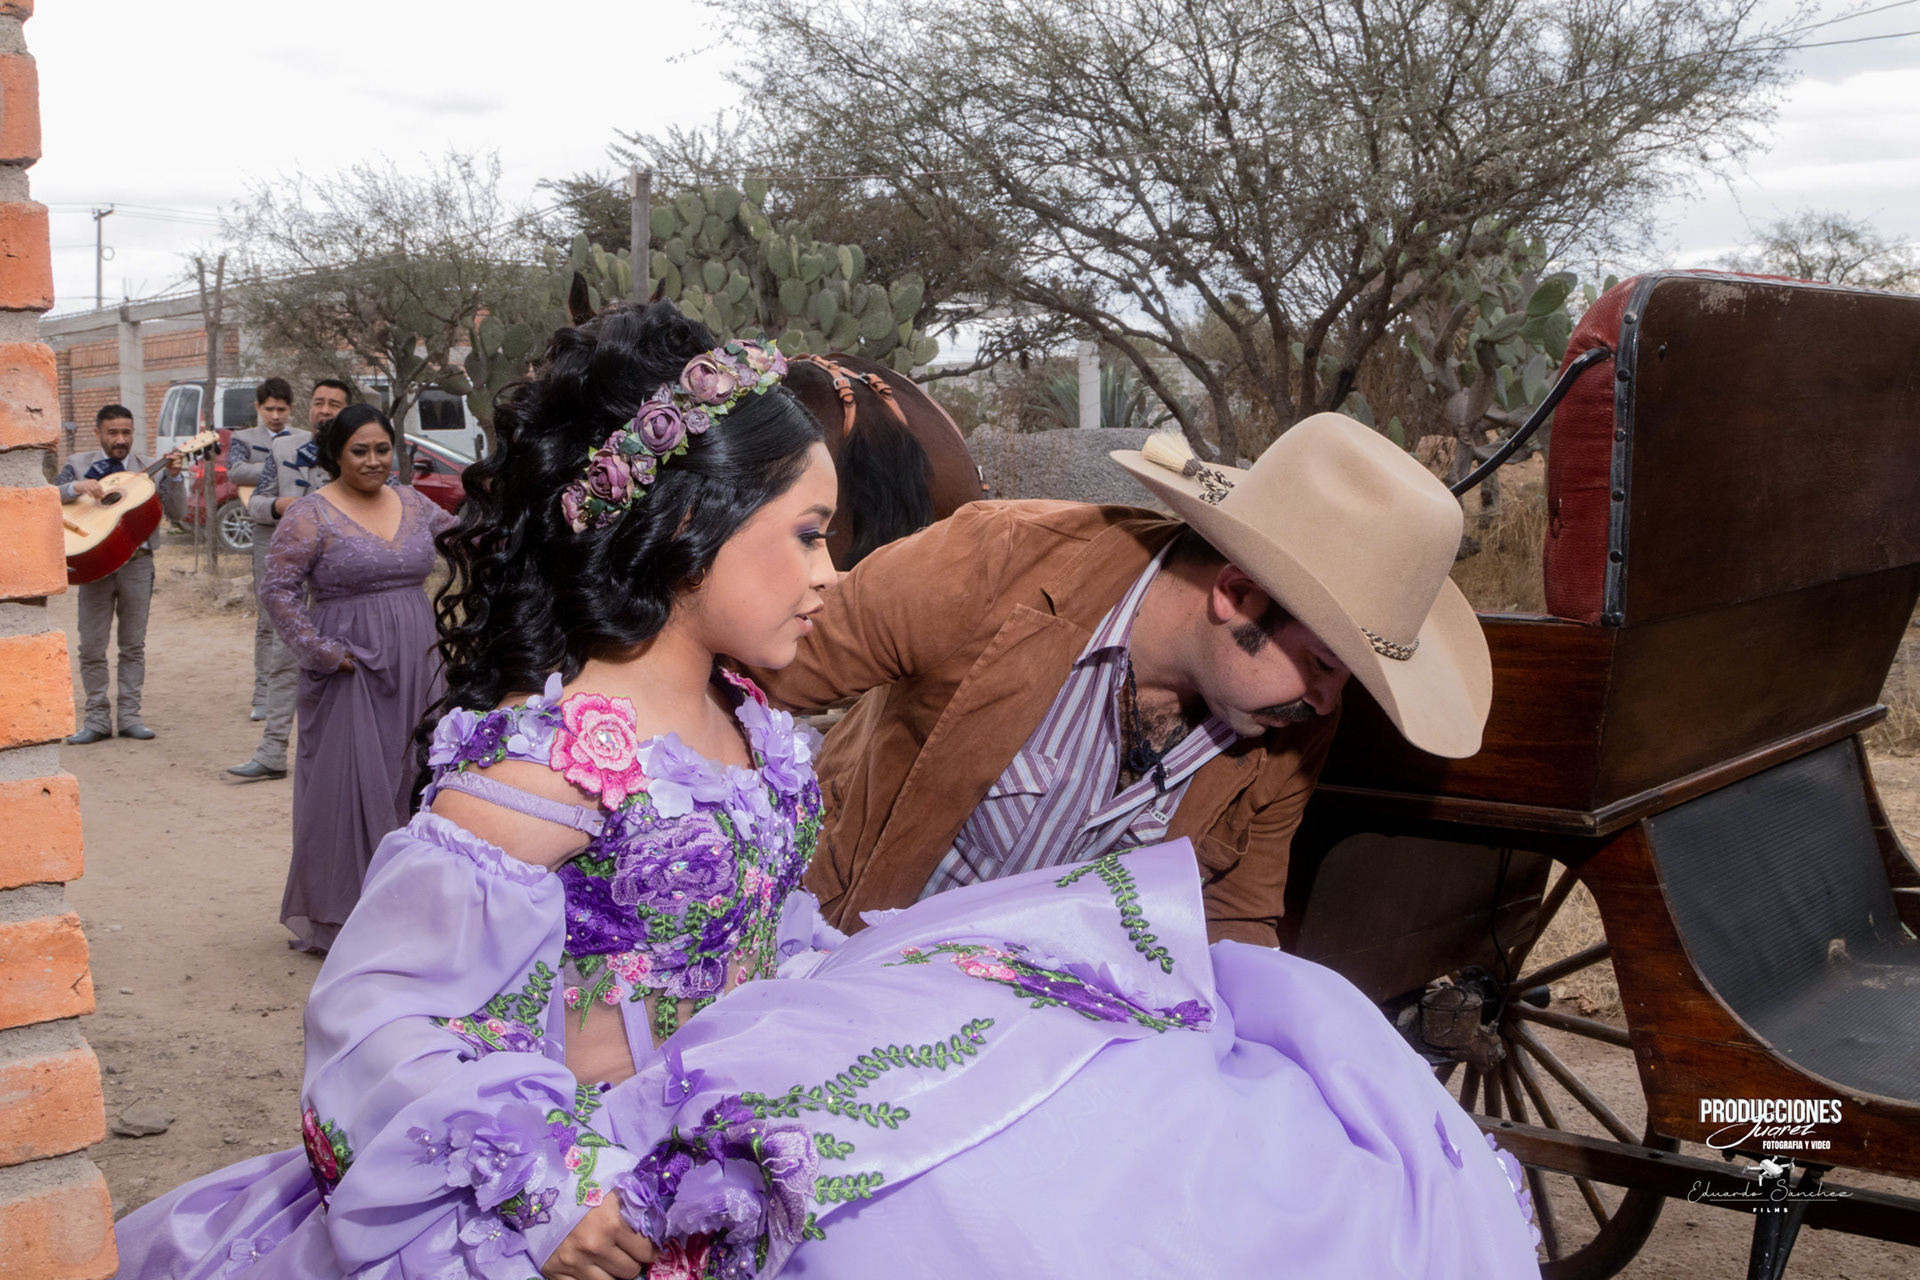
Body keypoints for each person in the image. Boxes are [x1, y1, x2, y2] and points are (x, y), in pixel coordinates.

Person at [110, 301, 1537, 1280]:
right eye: (806, 533)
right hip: (633, 1140)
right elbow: (375, 1013)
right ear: (690, 526)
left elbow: (1231, 927)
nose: (831, 572)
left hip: (787, 1052)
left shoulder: (745, 727)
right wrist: (546, 1185)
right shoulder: (566, 760)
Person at [750, 417, 1488, 945]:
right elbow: (751, 679)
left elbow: (1236, 921)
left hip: (1054, 1037)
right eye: (1325, 663)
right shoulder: (990, 566)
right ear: (1236, 596)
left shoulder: (1289, 720)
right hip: (848, 971)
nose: (1328, 701)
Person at [257, 402, 455, 952]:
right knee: (345, 786)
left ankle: (411, 913)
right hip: (351, 668)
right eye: (359, 451)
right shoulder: (310, 514)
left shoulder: (415, 503)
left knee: (416, 776)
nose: (373, 461)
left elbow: (471, 542)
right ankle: (342, 917)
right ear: (336, 455)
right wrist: (321, 652)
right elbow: (277, 591)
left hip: (419, 662)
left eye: (382, 449)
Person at [227, 379, 351, 781]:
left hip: (344, 580)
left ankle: (336, 759)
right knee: (284, 656)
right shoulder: (283, 450)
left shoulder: (360, 451)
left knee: (342, 663)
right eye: (319, 402)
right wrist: (280, 505)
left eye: (334, 404)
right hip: (293, 569)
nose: (324, 410)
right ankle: (272, 752)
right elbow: (256, 503)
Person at [56, 404, 185, 744]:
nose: (120, 440)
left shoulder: (150, 467)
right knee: (91, 646)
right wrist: (75, 488)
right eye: (112, 433)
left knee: (132, 645)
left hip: (138, 564)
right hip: (95, 563)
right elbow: (47, 498)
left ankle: (130, 717)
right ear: (97, 433)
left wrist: (174, 477)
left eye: (126, 432)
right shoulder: (78, 465)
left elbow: (178, 512)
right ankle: (96, 719)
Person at [224, 377, 302, 721]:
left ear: (291, 408)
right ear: (258, 408)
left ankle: (297, 691)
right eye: (269, 409)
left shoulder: (303, 438)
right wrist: (279, 467)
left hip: (302, 531)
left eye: (281, 409)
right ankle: (263, 695)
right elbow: (235, 471)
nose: (275, 416)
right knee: (268, 616)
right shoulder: (243, 439)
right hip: (266, 532)